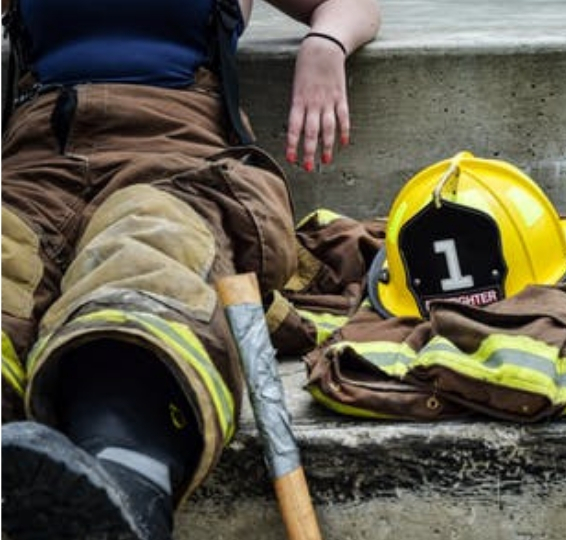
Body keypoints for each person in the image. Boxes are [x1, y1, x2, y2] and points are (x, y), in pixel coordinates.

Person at [0, 0, 380, 538]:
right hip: (33, 166)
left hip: (177, 158)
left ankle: (124, 488)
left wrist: (327, 44)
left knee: (149, 258)